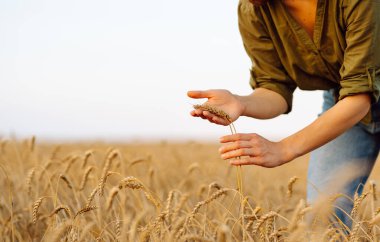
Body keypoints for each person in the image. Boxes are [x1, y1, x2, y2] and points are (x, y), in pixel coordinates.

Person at [187, 0, 380, 231]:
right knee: (323, 217)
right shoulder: (253, 9)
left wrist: (283, 149)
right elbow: (274, 87)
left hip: (354, 100)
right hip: (343, 100)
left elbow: (360, 97)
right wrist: (241, 103)